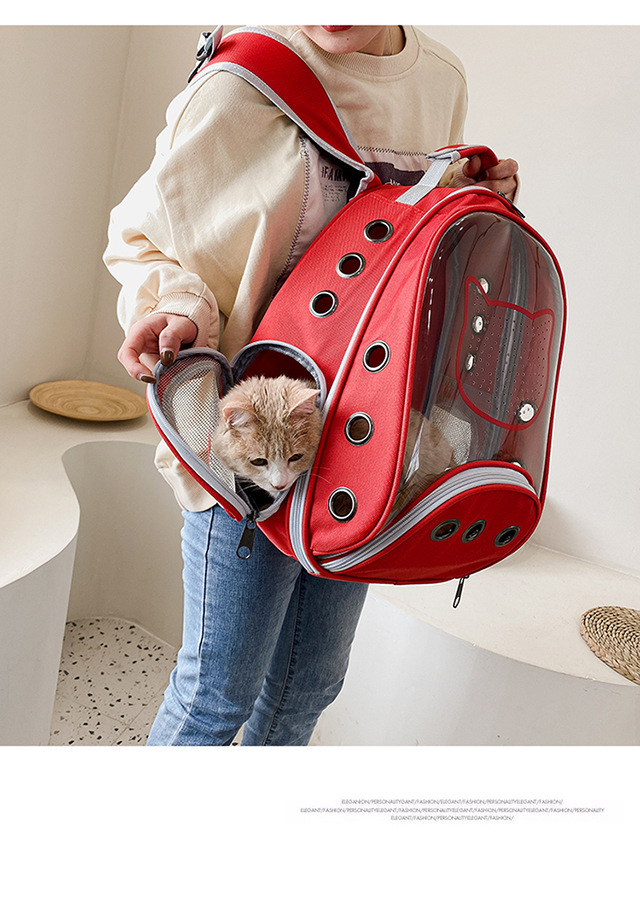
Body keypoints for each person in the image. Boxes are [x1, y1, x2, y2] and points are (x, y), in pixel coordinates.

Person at [104, 25, 518, 746]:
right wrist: (179, 306)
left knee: (308, 688)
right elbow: (139, 238)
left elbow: (413, 257)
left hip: (368, 448)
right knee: (215, 697)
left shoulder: (440, 80)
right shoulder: (242, 79)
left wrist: (476, 205)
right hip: (247, 460)